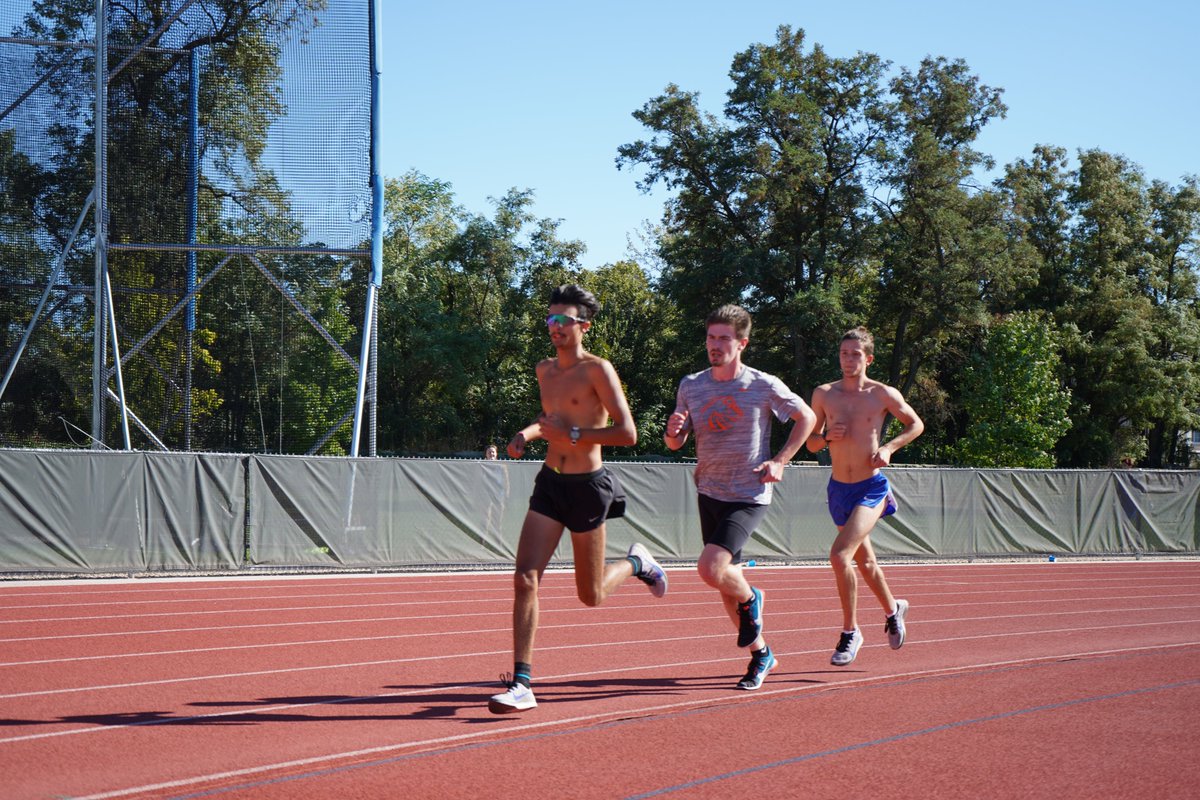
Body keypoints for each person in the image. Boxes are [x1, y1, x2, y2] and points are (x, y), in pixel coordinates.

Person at [488, 284, 669, 714]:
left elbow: (628, 433)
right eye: (550, 320)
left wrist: (574, 435)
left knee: (590, 595)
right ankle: (522, 683)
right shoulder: (544, 370)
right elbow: (547, 419)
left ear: (583, 326)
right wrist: (526, 435)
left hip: (588, 487)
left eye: (563, 321)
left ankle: (637, 563)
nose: (554, 327)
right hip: (550, 483)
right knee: (524, 578)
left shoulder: (598, 370)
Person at [664, 304, 815, 690]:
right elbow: (676, 443)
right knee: (724, 585)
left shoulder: (762, 384)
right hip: (708, 489)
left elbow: (807, 418)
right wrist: (673, 431)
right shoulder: (691, 385)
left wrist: (780, 460)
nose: (715, 345)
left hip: (748, 492)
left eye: (724, 339)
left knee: (711, 569)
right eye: (711, 337)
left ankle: (754, 598)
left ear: (742, 343)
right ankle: (761, 654)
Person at [806, 326, 924, 667]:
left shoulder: (882, 394)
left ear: (868, 358)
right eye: (844, 353)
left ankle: (850, 632)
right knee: (865, 562)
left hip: (871, 488)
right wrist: (826, 436)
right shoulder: (824, 394)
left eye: (855, 354)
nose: (848, 359)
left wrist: (889, 447)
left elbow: (915, 424)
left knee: (840, 556)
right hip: (838, 489)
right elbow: (810, 441)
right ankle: (893, 609)